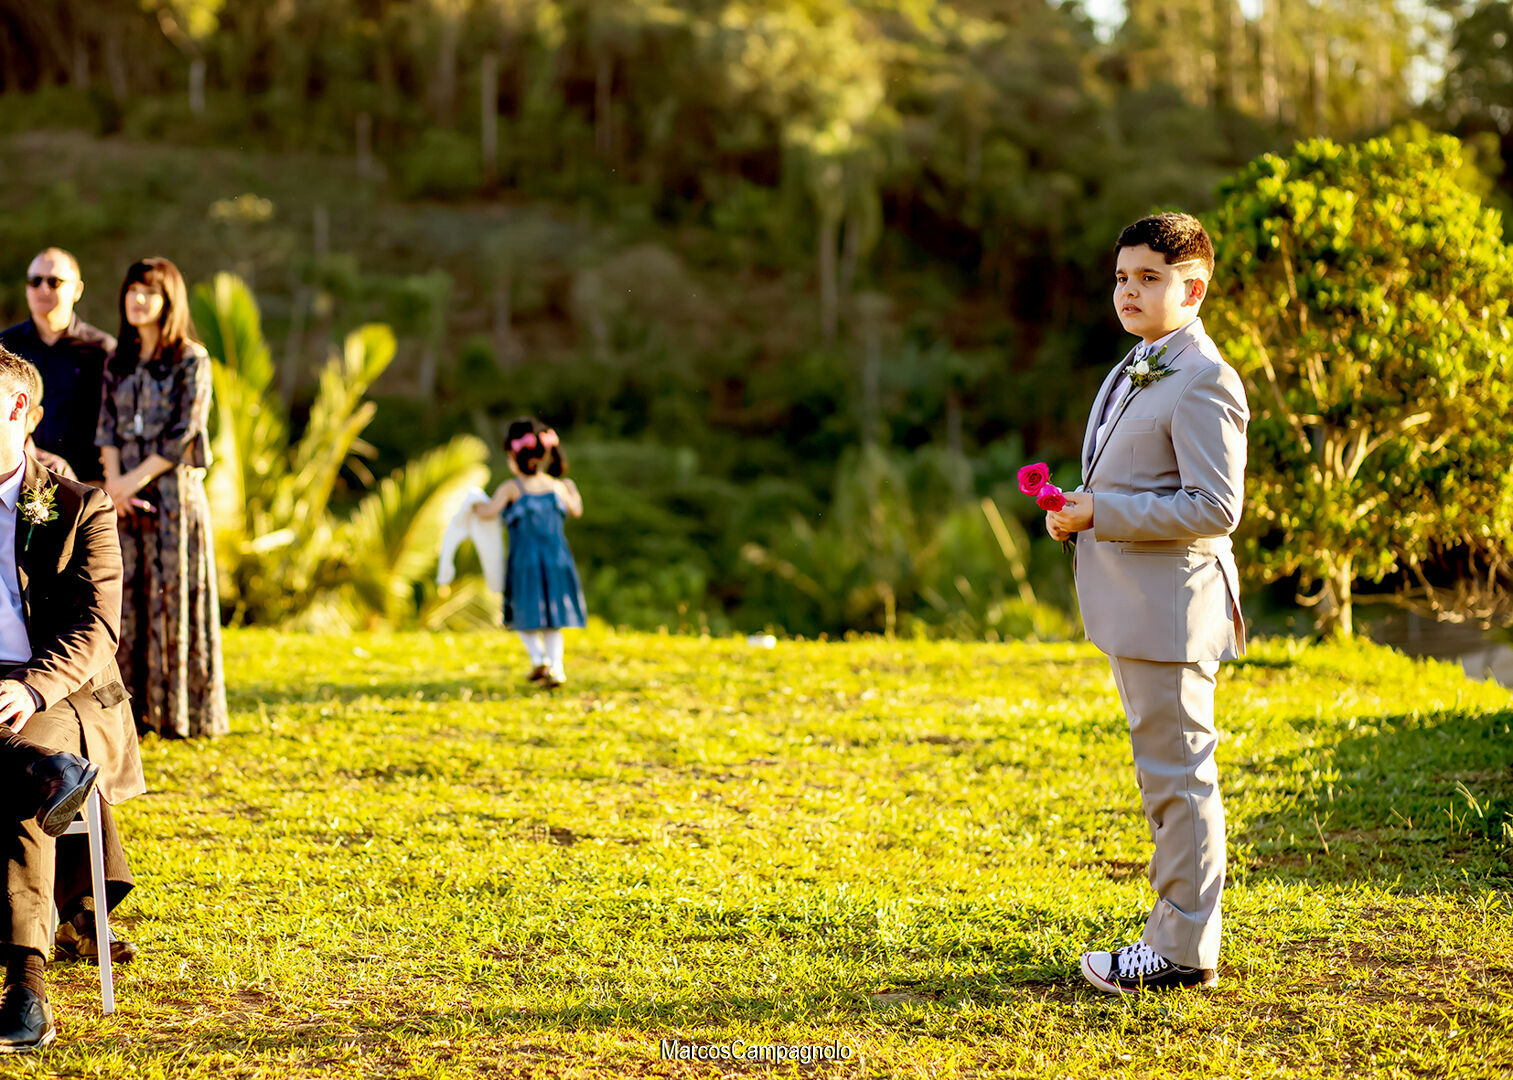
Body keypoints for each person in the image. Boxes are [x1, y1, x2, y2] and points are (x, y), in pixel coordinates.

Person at [1045, 212, 1249, 995]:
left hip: (1174, 610)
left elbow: (1213, 506)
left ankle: (1179, 951)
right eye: (1122, 277)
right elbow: (1135, 477)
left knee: (1179, 779)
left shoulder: (1203, 377)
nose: (1128, 291)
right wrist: (1080, 507)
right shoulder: (1141, 360)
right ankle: (1177, 938)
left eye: (1149, 278)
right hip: (1139, 606)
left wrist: (1106, 512)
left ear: (1192, 288)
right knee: (1164, 774)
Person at [0, 343, 146, 1052]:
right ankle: (49, 776)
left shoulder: (79, 506)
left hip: (55, 684)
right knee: (23, 765)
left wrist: (30, 687)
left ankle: (27, 987)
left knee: (20, 756)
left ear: (18, 409)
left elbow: (96, 628)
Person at [96, 258, 228, 739]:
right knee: (125, 600)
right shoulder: (118, 359)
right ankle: (131, 716)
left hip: (173, 498)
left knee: (173, 599)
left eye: (148, 292)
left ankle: (180, 715)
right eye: (132, 290)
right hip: (123, 499)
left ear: (169, 300)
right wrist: (114, 485)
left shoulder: (192, 359)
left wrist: (127, 484)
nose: (137, 299)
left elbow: (182, 435)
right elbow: (106, 428)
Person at [475, 418, 586, 688]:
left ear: (514, 455)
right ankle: (556, 666)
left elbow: (489, 512)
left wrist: (473, 504)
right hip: (557, 560)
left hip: (526, 561)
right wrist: (573, 490)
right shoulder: (557, 486)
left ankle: (539, 659)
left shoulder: (512, 488)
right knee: (553, 619)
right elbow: (576, 510)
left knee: (523, 614)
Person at [0, 249, 114, 484]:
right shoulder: (6, 347)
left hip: (87, 485)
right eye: (35, 281)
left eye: (54, 282)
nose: (43, 289)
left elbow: (117, 419)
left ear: (77, 290)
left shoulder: (102, 349)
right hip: (15, 481)